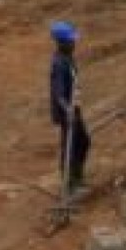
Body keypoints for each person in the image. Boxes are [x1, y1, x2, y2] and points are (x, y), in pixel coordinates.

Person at [49, 21, 90, 198]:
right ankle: (70, 184)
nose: (74, 43)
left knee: (83, 142)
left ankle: (77, 178)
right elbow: (58, 93)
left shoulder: (68, 58)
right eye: (70, 41)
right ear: (61, 42)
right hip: (67, 111)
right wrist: (68, 112)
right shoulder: (59, 64)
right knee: (71, 145)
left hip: (74, 108)